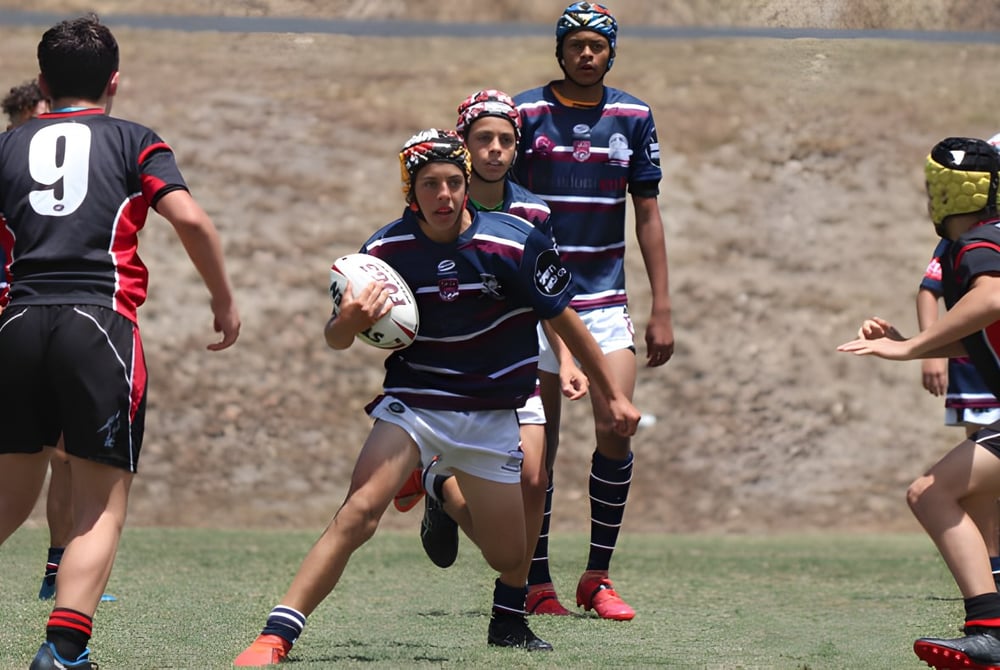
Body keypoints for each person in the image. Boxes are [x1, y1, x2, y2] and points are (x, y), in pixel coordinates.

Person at [233, 128, 640, 665]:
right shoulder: (384, 253)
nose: (443, 195)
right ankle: (276, 635)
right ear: (411, 191)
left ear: (467, 184)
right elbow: (336, 337)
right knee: (359, 512)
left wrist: (613, 396)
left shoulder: (515, 243)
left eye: (453, 182)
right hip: (416, 405)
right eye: (430, 184)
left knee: (507, 555)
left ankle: (481, 569)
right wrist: (347, 322)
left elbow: (565, 318)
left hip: (493, 414)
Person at [0, 15, 241, 670]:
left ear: (42, 83)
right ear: (114, 82)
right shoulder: (135, 140)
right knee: (98, 505)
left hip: (16, 324)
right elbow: (190, 219)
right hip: (98, 327)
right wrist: (223, 301)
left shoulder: (8, 145)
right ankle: (63, 651)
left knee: (8, 498)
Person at [511, 1, 675, 620]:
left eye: (596, 45)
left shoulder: (633, 115)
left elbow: (648, 215)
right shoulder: (524, 114)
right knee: (539, 450)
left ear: (611, 53)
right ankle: (537, 580)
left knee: (615, 426)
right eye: (575, 44)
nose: (585, 54)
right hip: (533, 302)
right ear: (559, 50)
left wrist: (662, 307)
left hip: (604, 302)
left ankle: (596, 577)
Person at [401, 90, 589, 618]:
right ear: (462, 144)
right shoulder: (435, 204)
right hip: (456, 366)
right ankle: (447, 491)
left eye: (506, 140)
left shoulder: (534, 212)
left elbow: (548, 297)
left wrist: (567, 360)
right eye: (483, 138)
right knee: (503, 510)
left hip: (520, 359)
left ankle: (522, 586)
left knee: (535, 477)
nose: (495, 150)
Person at [837, 136, 1000, 669]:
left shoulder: (978, 243)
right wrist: (908, 344)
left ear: (948, 190)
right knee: (968, 496)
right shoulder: (981, 241)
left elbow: (992, 298)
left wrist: (910, 347)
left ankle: (990, 630)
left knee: (931, 493)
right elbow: (980, 336)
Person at [1, 78, 116, 605]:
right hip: (19, 325)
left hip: (47, 323)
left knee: (67, 456)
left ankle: (58, 568)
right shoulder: (13, 173)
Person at [918, 240, 1000, 589]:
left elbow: (991, 298)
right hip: (976, 374)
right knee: (976, 478)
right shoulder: (959, 241)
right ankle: (993, 569)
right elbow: (928, 290)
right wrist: (929, 351)